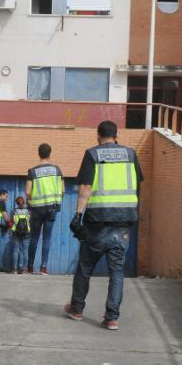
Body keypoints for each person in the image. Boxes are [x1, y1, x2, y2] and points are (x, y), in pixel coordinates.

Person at [66, 120, 144, 330]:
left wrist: (77, 215)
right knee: (117, 271)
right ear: (116, 135)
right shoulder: (130, 154)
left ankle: (77, 309)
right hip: (123, 223)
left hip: (97, 222)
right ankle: (111, 318)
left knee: (85, 267)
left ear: (98, 135)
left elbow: (85, 186)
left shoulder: (93, 154)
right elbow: (137, 184)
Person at [26, 143, 64, 275]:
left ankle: (30, 267)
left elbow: (28, 192)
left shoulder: (33, 171)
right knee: (47, 238)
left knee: (34, 238)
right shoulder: (57, 170)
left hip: (37, 209)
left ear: (38, 154)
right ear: (50, 153)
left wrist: (31, 205)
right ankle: (43, 267)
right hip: (51, 208)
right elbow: (63, 190)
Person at [10, 196, 31, 274]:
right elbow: (31, 222)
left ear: (17, 203)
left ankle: (14, 269)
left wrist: (10, 229)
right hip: (26, 232)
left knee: (15, 250)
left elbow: (11, 222)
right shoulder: (28, 211)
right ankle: (24, 269)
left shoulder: (13, 211)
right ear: (24, 203)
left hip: (16, 232)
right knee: (24, 251)